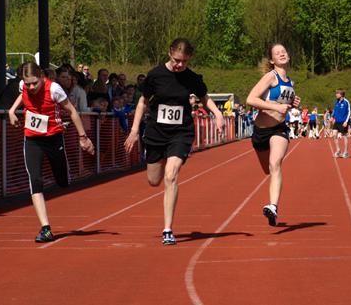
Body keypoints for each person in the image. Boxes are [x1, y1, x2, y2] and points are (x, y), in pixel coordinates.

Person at [124, 38, 224, 245]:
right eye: (178, 60)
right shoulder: (155, 75)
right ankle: (157, 161)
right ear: (170, 52)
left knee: (171, 175)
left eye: (185, 62)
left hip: (181, 132)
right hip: (156, 132)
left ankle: (168, 229)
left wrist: (218, 115)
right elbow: (142, 102)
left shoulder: (191, 78)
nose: (180, 65)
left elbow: (205, 97)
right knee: (154, 180)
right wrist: (134, 130)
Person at [8, 62, 95, 243]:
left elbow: (71, 111)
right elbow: (22, 95)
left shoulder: (54, 89)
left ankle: (64, 175)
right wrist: (12, 110)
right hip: (32, 139)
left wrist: (83, 137)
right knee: (35, 180)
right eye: (28, 84)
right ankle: (46, 228)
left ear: (41, 77)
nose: (31, 87)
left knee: (62, 181)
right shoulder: (23, 86)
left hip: (53, 138)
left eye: (34, 83)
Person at [246, 43, 301, 227]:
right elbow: (251, 99)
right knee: (268, 170)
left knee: (275, 163)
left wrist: (293, 103)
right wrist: (276, 106)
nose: (282, 54)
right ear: (272, 60)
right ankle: (273, 209)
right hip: (261, 131)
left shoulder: (290, 82)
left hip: (279, 129)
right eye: (278, 53)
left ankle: (273, 206)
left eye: (284, 51)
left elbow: (283, 102)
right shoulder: (271, 77)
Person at [332, 88, 351, 158]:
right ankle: (338, 150)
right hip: (337, 121)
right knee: (334, 135)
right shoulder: (336, 101)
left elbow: (349, 112)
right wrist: (332, 117)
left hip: (343, 122)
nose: (336, 94)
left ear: (341, 94)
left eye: (337, 93)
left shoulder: (346, 102)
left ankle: (345, 152)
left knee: (344, 136)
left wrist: (346, 121)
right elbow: (335, 110)